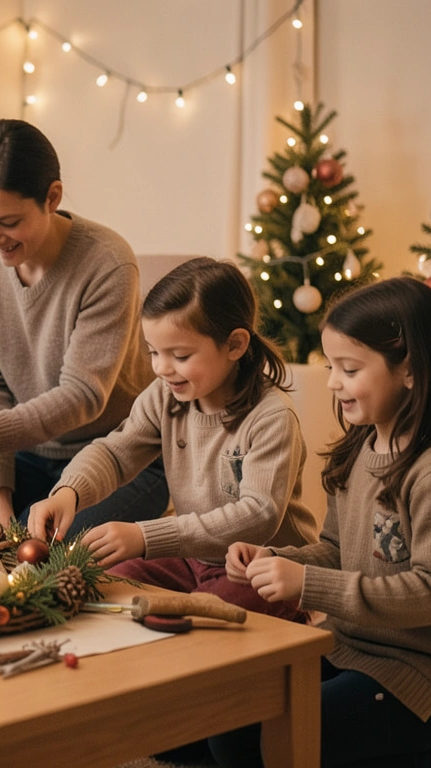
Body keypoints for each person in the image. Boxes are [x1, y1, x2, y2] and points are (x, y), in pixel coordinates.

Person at [216, 276, 431, 768]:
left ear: (409, 370)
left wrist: (308, 585)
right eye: (331, 366)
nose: (332, 383)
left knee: (281, 741)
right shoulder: (360, 447)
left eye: (349, 368)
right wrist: (276, 559)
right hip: (348, 650)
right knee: (231, 723)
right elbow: (336, 549)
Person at [0, 119, 168, 536]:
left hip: (118, 459)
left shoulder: (107, 262)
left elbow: (82, 396)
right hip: (25, 456)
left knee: (38, 565)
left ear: (52, 197)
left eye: (8, 222)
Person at [28, 257, 318, 622]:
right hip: (194, 557)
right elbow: (116, 453)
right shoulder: (164, 395)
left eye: (180, 355)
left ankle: (288, 622)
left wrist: (144, 536)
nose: (162, 368)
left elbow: (258, 515)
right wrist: (69, 491)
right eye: (154, 352)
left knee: (197, 616)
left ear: (235, 345)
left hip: (259, 567)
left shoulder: (271, 417)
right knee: (111, 586)